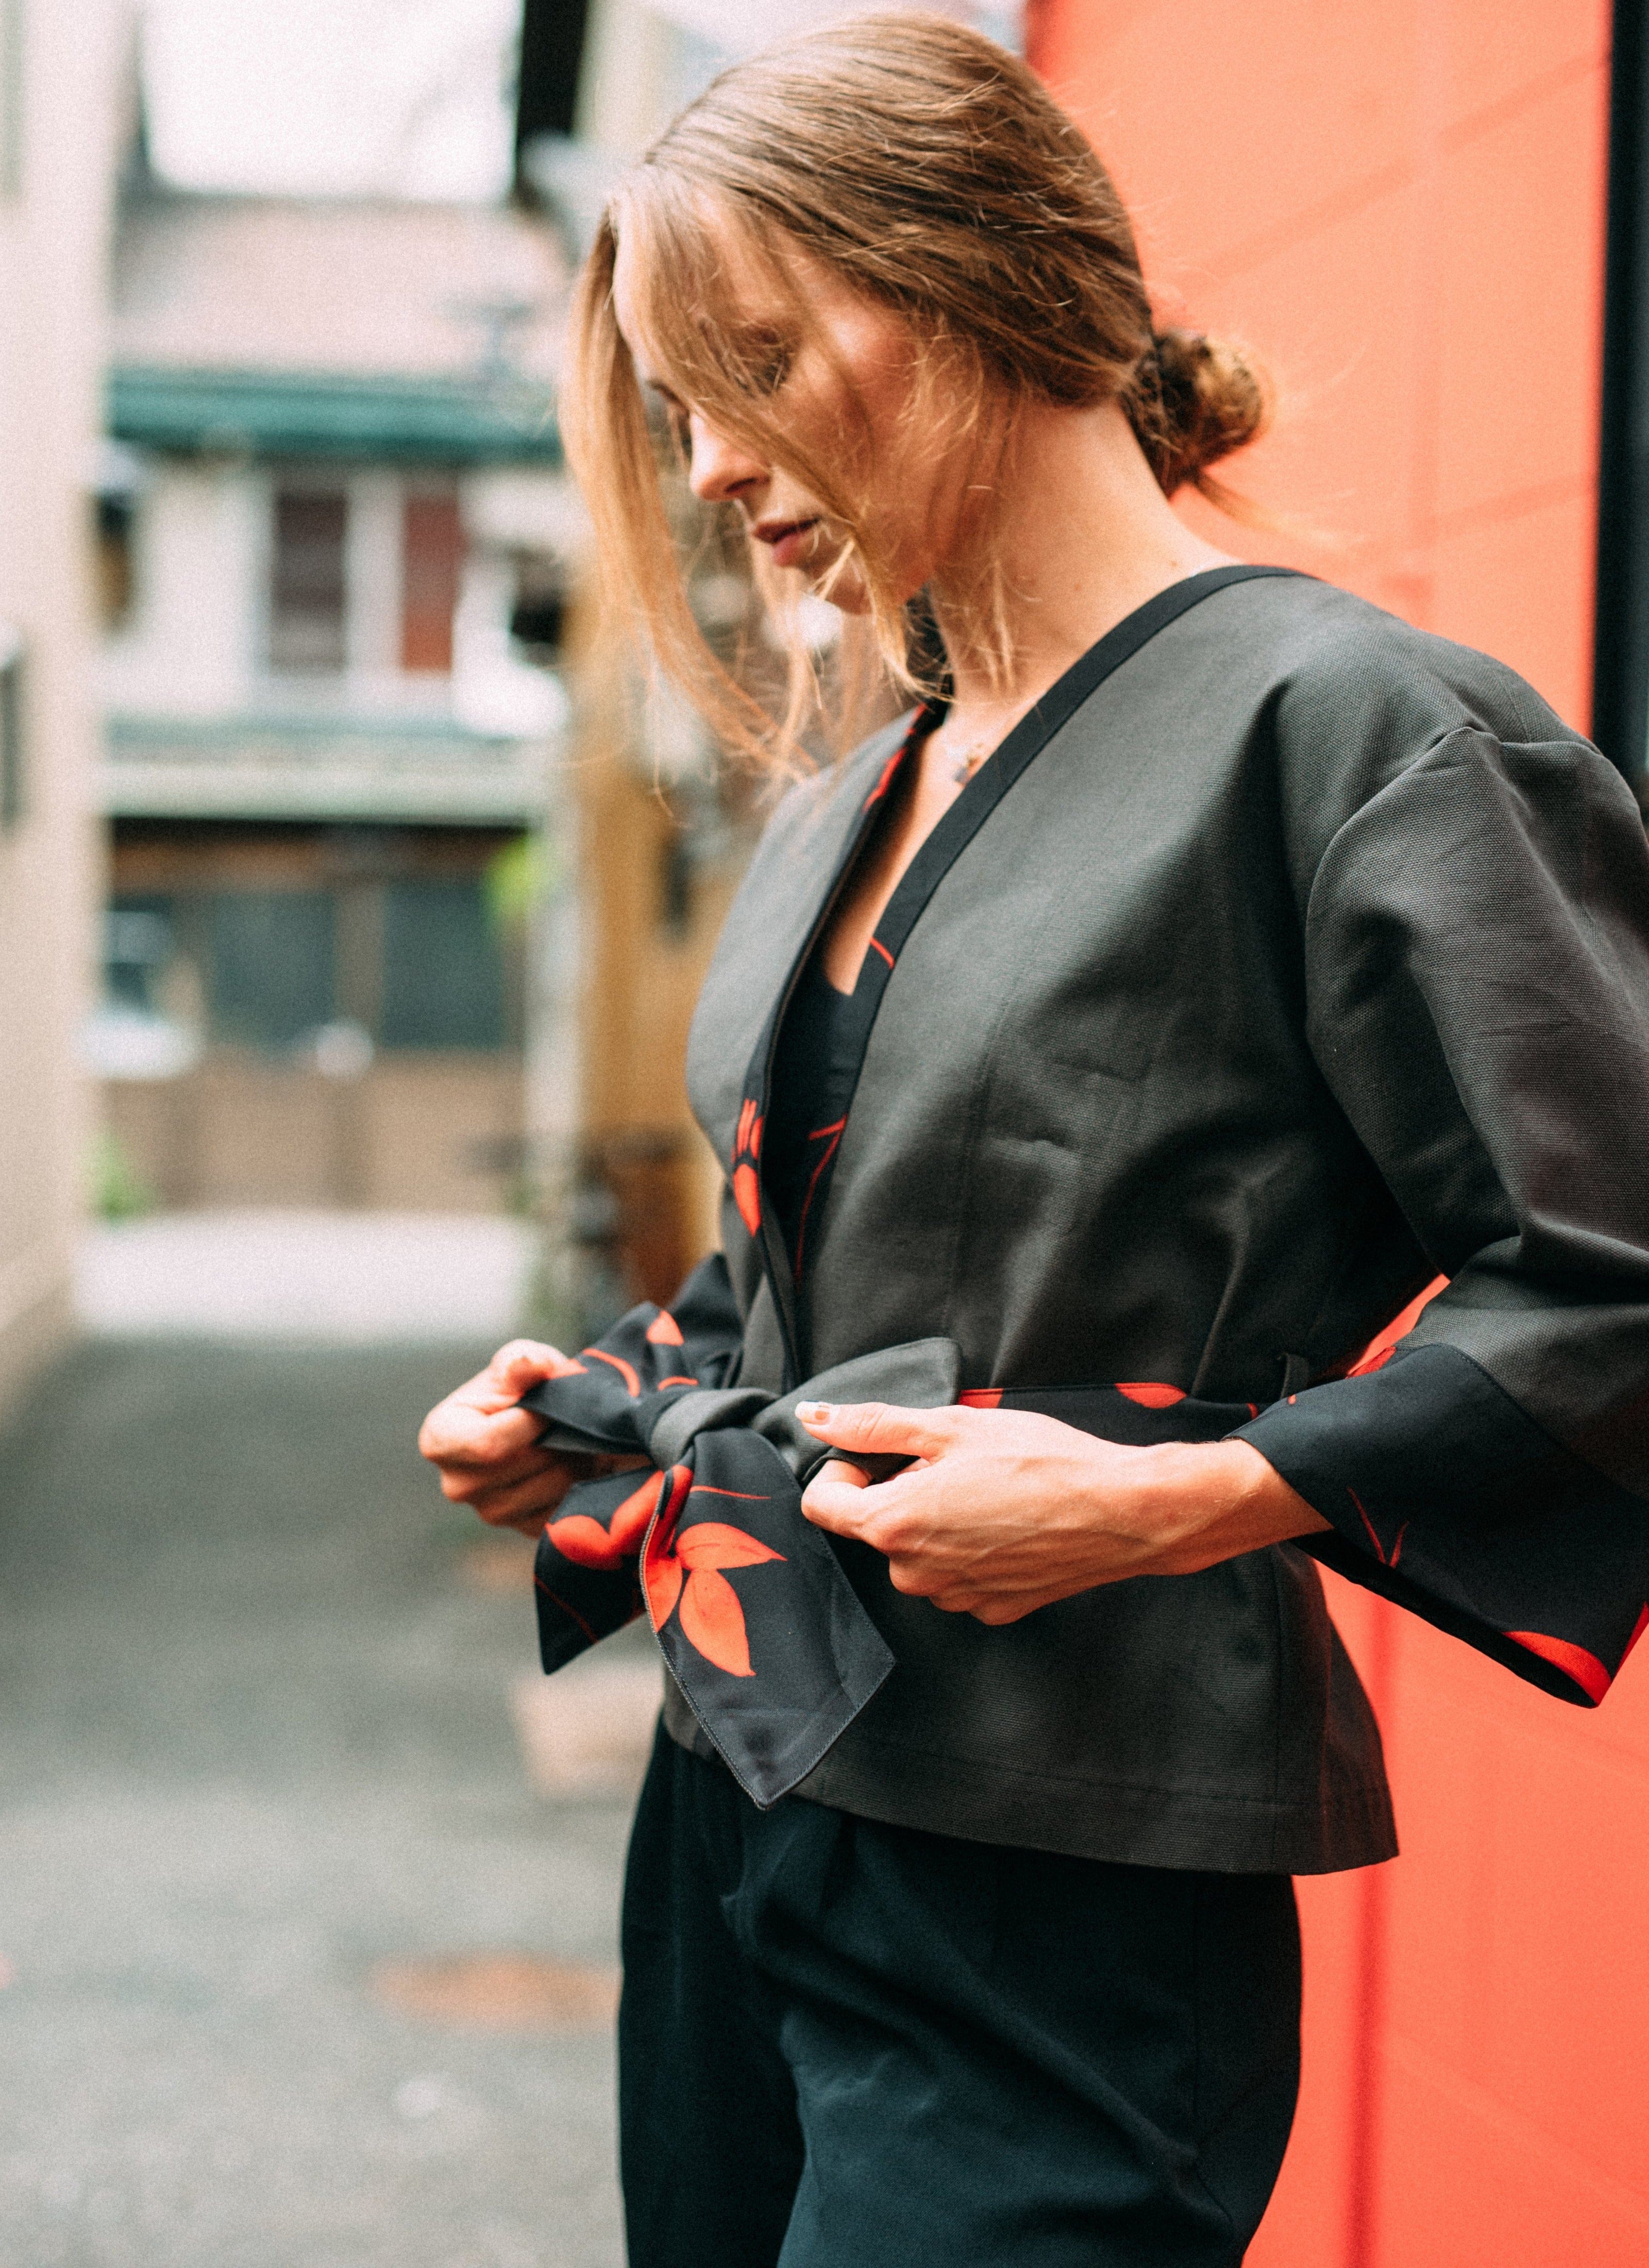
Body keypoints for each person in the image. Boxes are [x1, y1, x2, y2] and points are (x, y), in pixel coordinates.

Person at [418, 15, 1649, 2264]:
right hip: (743, 1783)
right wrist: (598, 1403)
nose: (704, 465)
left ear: (969, 271)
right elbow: (815, 1280)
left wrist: (1189, 1495)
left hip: (1064, 1872)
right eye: (674, 402)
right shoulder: (855, 778)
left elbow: (1615, 1268)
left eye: (753, 361)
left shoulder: (1350, 727)